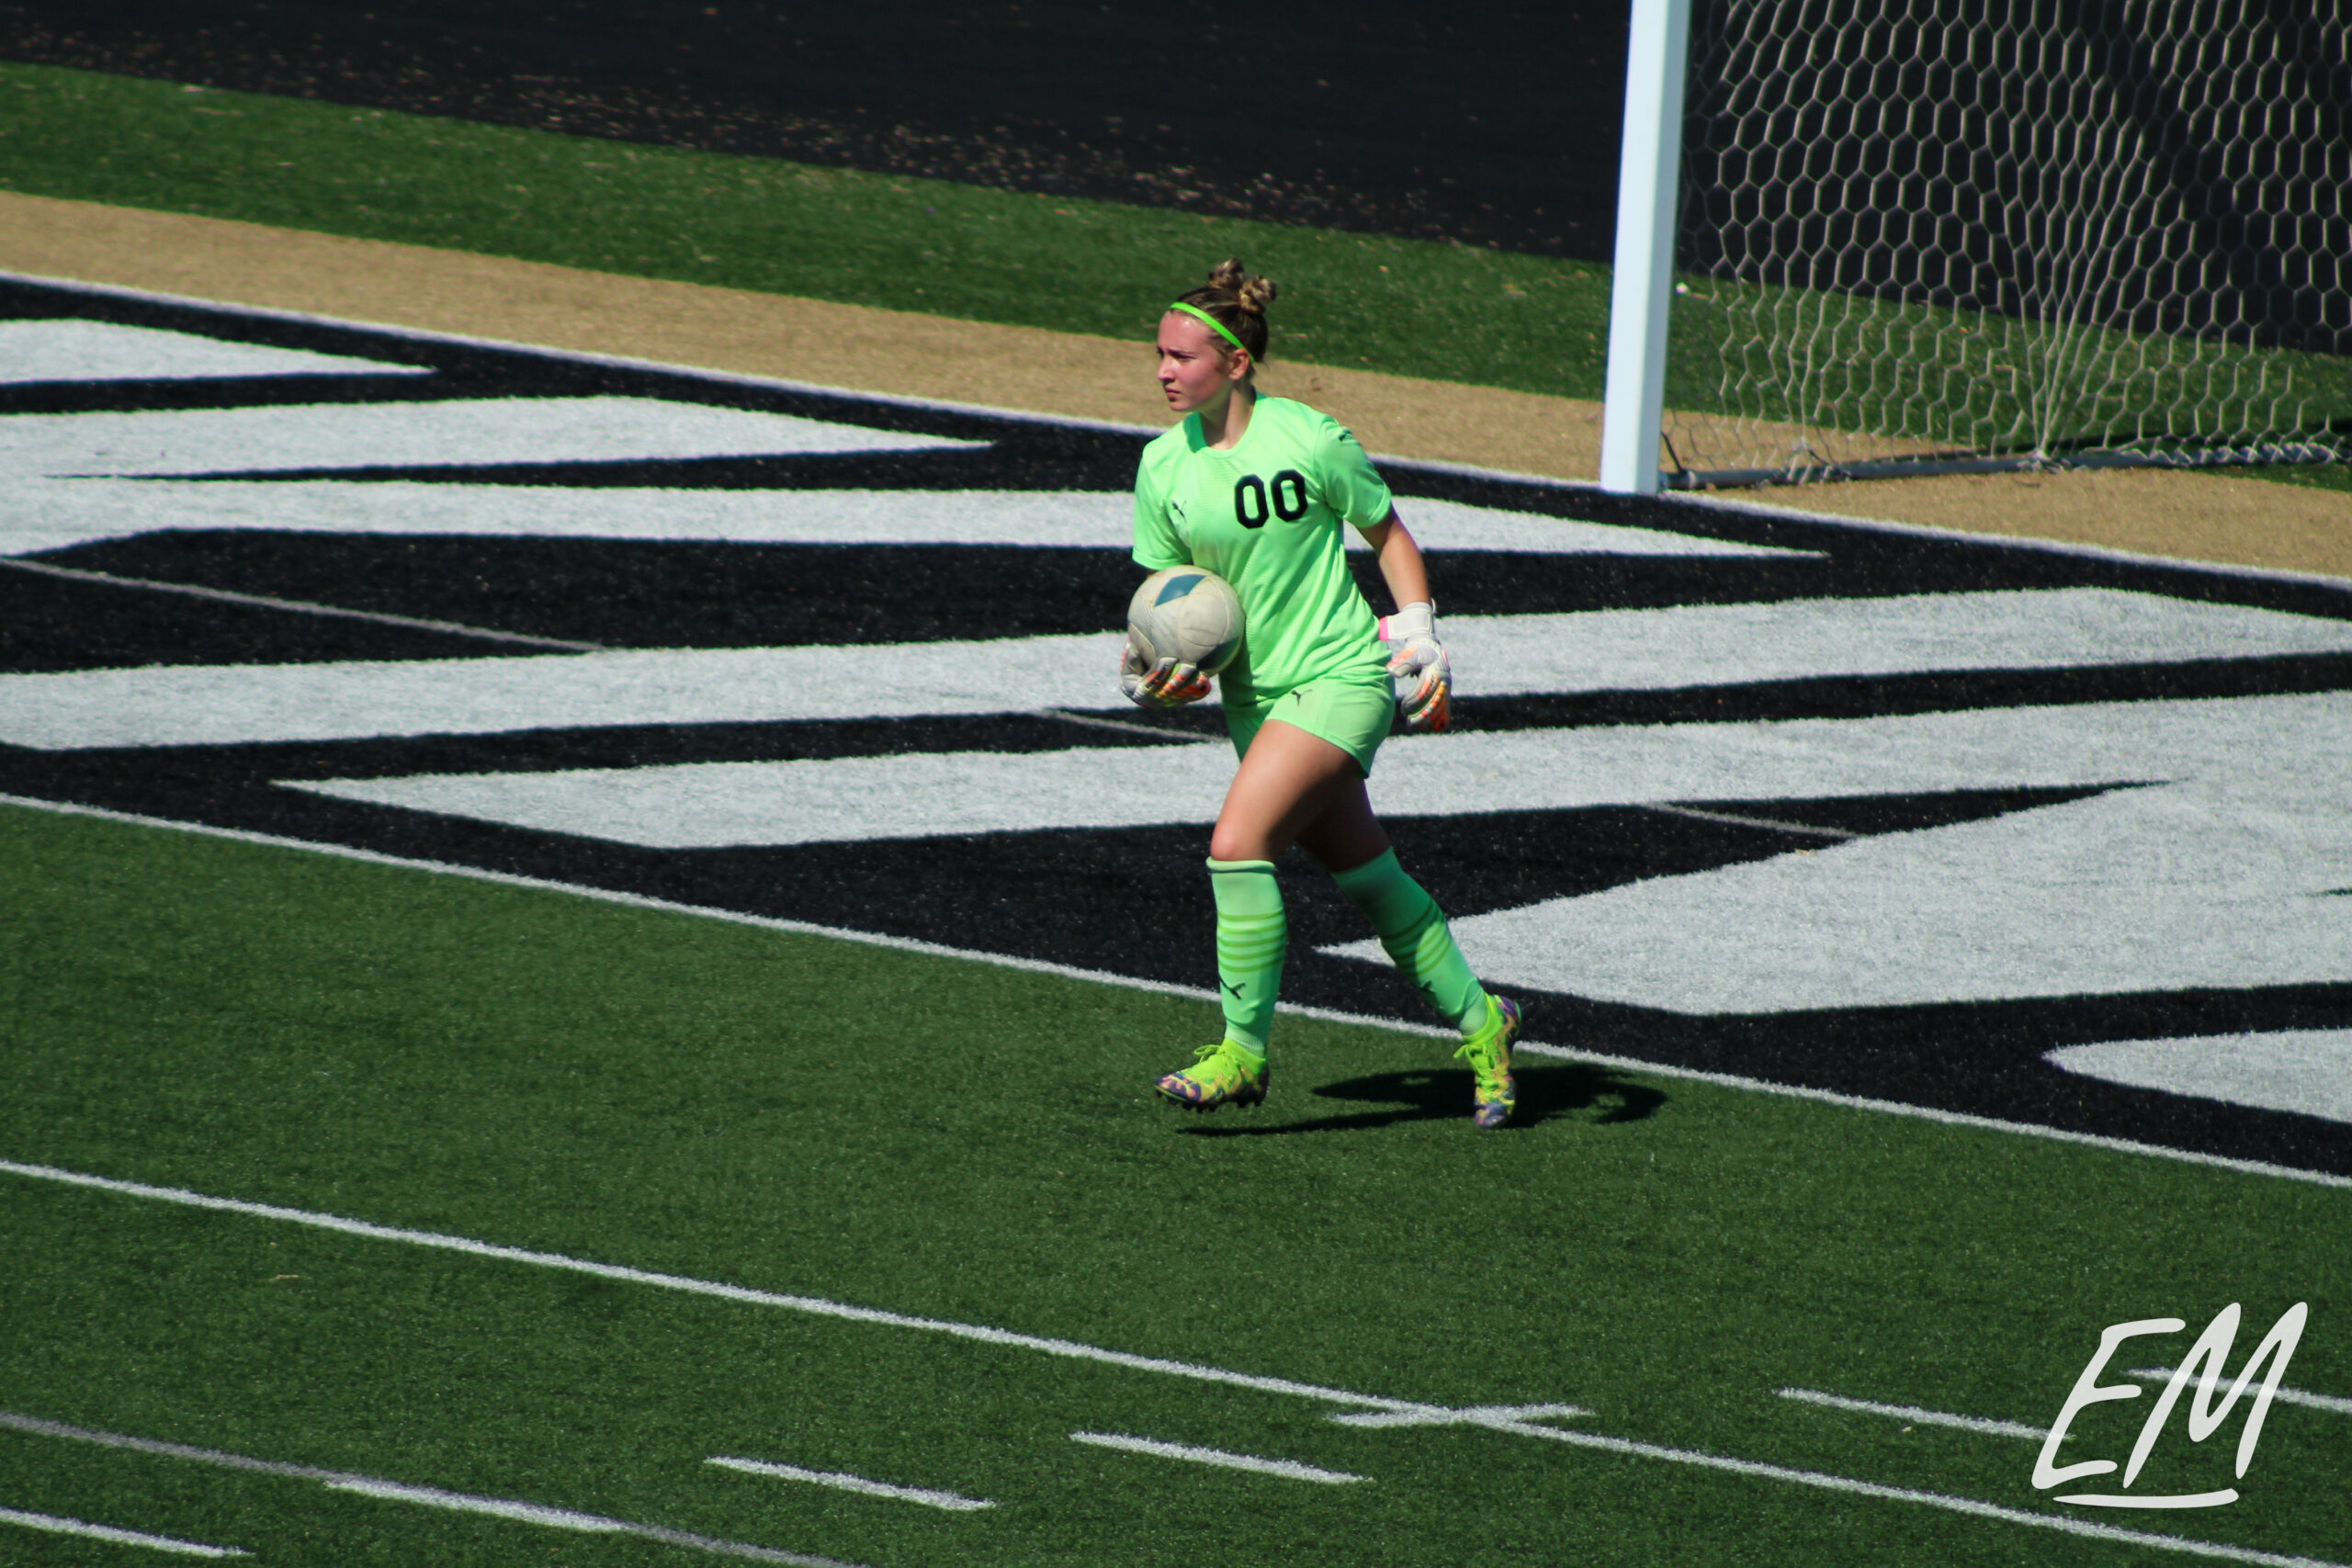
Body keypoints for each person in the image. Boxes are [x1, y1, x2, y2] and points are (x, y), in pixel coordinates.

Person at [1122, 258, 1521, 1129]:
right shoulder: (1161, 467)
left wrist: (1417, 635)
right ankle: (1488, 1024)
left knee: (1236, 844)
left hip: (1341, 678)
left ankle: (1242, 1053)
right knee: (1369, 878)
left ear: (1234, 363)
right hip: (1254, 703)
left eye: (1181, 356)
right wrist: (1160, 670)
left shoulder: (1309, 439)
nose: (1162, 370)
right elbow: (1171, 604)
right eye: (1158, 353)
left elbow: (1390, 534)